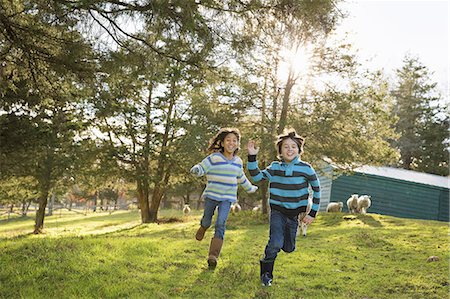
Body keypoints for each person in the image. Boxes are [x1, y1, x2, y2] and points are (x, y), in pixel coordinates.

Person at [247, 129, 321, 286]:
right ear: (280, 150)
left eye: (293, 146)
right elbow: (256, 177)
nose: (289, 150)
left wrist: (312, 213)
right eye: (285, 147)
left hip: (294, 214)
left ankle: (276, 250)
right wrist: (252, 157)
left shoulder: (306, 168)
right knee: (275, 243)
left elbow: (316, 189)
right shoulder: (275, 168)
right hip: (277, 211)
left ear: (299, 150)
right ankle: (266, 273)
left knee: (288, 248)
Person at [190, 127, 258, 270]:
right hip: (212, 195)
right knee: (207, 219)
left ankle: (213, 256)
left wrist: (250, 188)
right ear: (221, 143)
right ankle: (203, 226)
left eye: (234, 140)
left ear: (238, 144)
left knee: (221, 223)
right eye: (228, 140)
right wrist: (197, 170)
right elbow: (203, 166)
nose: (231, 143)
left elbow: (241, 177)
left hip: (227, 198)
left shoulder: (238, 161)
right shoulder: (214, 158)